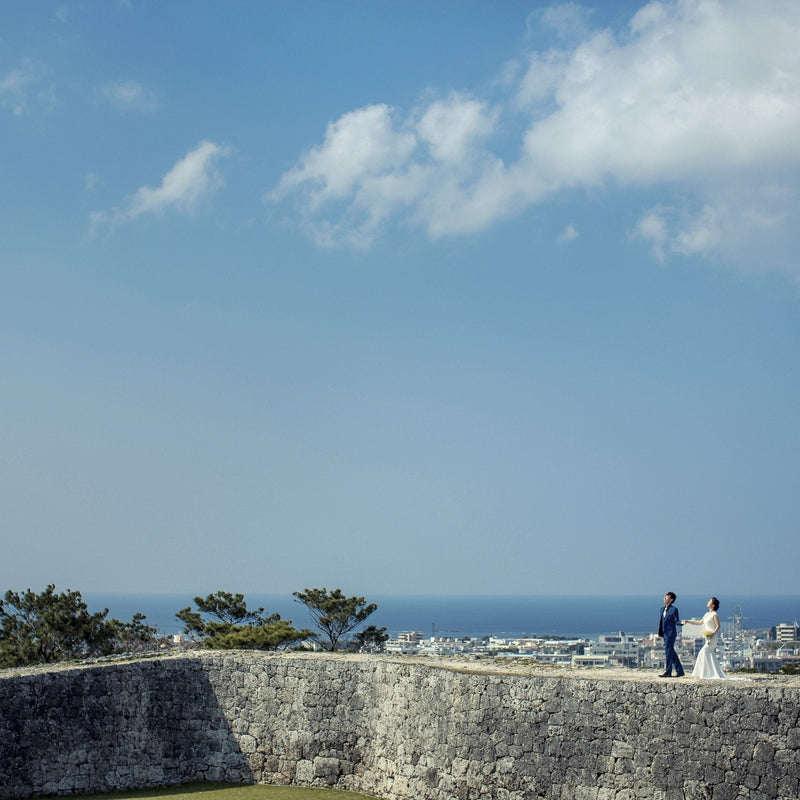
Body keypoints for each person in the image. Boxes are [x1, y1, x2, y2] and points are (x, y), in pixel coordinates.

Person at [683, 597, 727, 679]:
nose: (707, 602)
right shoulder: (706, 614)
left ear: (713, 605)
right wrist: (688, 621)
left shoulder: (714, 614)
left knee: (705, 651)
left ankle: (708, 673)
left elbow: (718, 626)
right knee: (706, 653)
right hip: (707, 637)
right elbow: (700, 622)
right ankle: (706, 672)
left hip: (712, 637)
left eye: (709, 601)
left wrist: (712, 634)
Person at [657, 591, 684, 677]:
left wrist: (681, 623)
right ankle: (680, 671)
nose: (665, 598)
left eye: (667, 597)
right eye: (664, 597)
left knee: (668, 652)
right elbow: (662, 621)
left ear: (671, 599)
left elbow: (676, 620)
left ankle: (668, 672)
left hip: (671, 634)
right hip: (664, 634)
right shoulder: (662, 609)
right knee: (671, 652)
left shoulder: (674, 609)